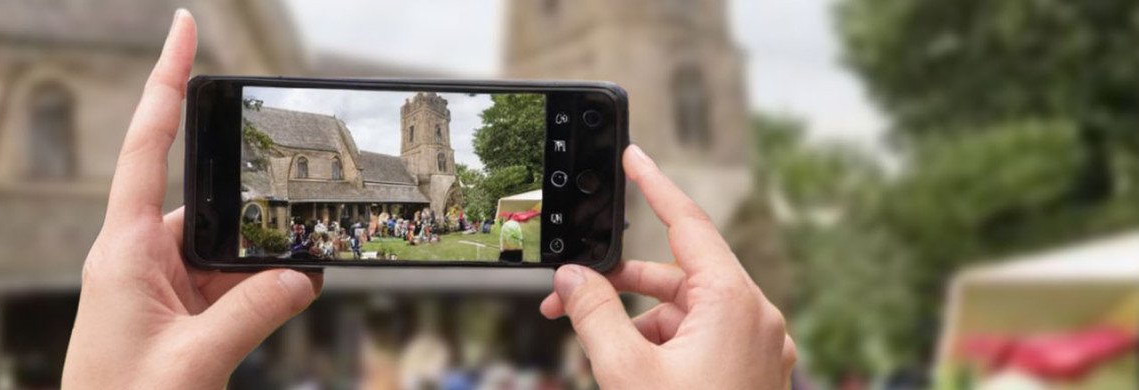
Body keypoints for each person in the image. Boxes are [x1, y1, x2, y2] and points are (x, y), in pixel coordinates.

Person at [63, 10, 795, 389]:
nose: (429, 132)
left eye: (429, 124)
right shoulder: (359, 150)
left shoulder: (425, 166)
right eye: (425, 124)